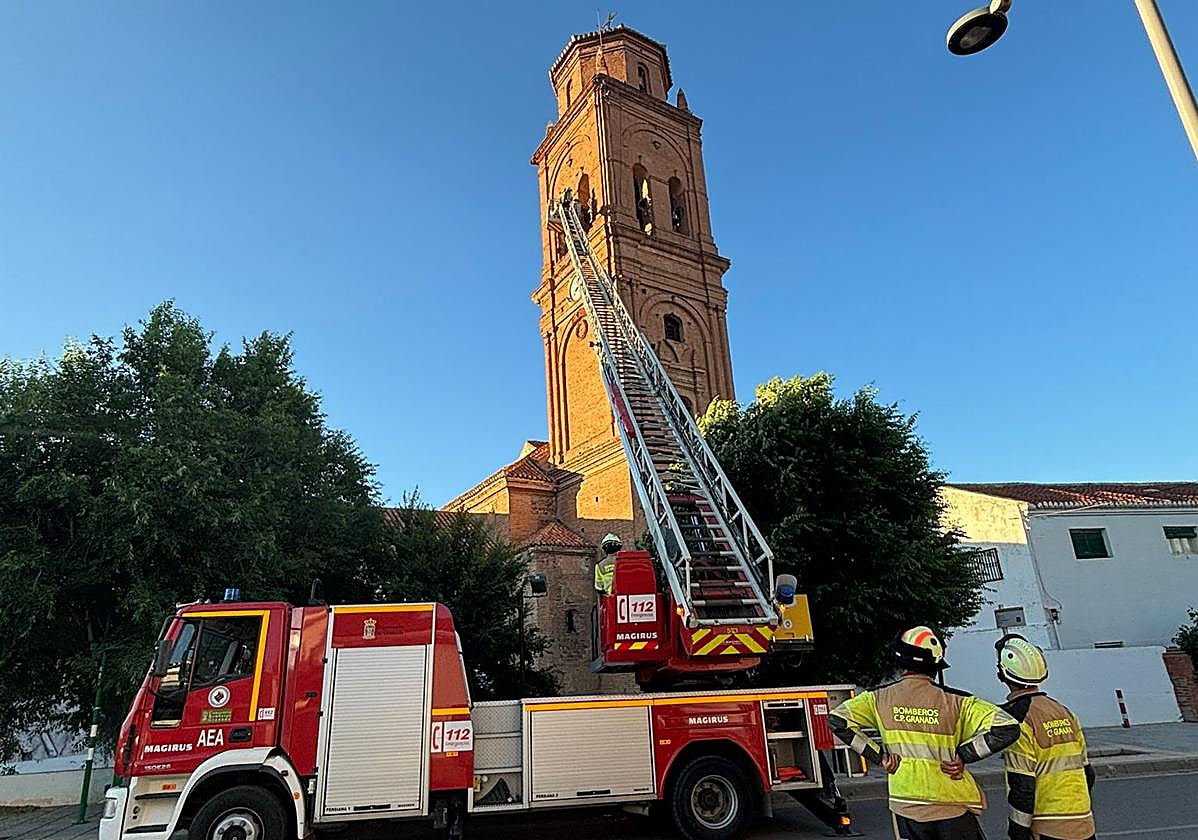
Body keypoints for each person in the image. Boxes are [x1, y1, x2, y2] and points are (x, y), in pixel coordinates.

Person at [830, 626, 1024, 840]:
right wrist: (964, 755)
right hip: (951, 804)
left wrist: (879, 756)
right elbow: (1008, 727)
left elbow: (838, 720)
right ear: (937, 666)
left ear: (900, 662)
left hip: (906, 803)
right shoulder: (958, 701)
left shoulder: (877, 698)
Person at [990, 634, 1096, 840]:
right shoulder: (1064, 712)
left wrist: (1018, 831)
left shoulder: (1017, 720)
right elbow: (1087, 772)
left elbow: (1022, 785)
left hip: (1049, 828)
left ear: (1002, 674)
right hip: (1084, 823)